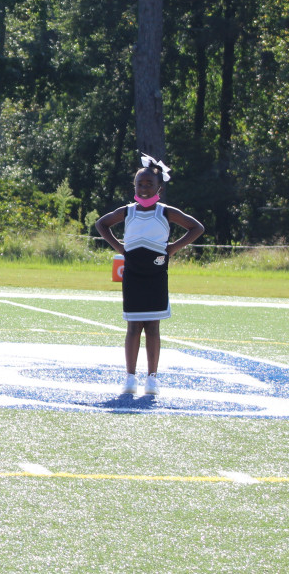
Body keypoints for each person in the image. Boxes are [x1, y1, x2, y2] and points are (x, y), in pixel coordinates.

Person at [94, 155, 204, 396]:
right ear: (134, 187)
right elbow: (102, 224)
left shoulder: (166, 212)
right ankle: (130, 377)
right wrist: (120, 248)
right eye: (139, 184)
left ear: (159, 188)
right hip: (133, 273)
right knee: (133, 327)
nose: (144, 189)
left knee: (153, 327)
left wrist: (173, 248)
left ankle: (152, 378)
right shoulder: (127, 212)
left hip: (156, 273)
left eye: (149, 185)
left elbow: (197, 227)